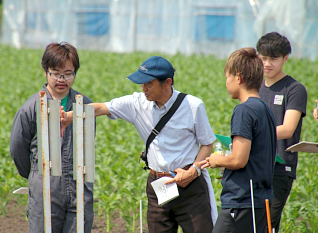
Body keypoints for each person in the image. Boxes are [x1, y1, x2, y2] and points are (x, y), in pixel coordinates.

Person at [61, 56, 218, 233]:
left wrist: (194, 171)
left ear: (167, 83)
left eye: (149, 83)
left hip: (190, 187)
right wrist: (70, 116)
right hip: (158, 186)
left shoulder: (193, 106)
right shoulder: (137, 104)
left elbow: (207, 144)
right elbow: (100, 108)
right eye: (142, 83)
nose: (144, 88)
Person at [10, 42, 94, 233]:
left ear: (75, 73)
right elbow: (17, 148)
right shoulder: (31, 107)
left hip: (80, 188)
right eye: (56, 73)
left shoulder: (85, 105)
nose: (61, 79)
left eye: (68, 73)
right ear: (46, 72)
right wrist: (34, 175)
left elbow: (89, 144)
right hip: (45, 189)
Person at [200, 47, 277, 233]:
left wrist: (216, 160)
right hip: (260, 200)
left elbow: (238, 159)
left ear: (239, 78)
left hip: (242, 201)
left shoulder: (244, 110)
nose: (226, 82)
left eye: (227, 76)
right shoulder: (265, 109)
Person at [257, 32, 307, 232]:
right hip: (255, 165)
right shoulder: (255, 86)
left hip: (279, 169)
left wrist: (253, 133)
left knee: (267, 223)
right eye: (263, 58)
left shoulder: (294, 89)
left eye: (273, 59)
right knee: (254, 223)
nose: (267, 63)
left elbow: (287, 129)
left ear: (285, 58)